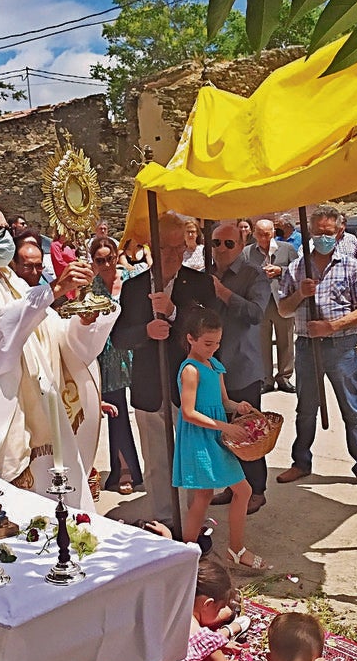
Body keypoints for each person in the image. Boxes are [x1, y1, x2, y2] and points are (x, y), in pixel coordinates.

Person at [0, 203, 117, 510]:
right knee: (5, 512)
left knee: (53, 506)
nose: (3, 237)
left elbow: (48, 332)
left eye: (4, 230)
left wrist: (84, 321)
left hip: (38, 404)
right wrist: (53, 289)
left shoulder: (11, 280)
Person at [111, 211, 217, 526]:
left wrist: (174, 313)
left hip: (189, 389)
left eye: (177, 248)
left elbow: (209, 328)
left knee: (194, 458)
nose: (171, 255)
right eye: (164, 248)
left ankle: (193, 522)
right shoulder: (134, 288)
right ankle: (164, 522)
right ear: (150, 251)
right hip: (149, 388)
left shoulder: (199, 283)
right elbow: (119, 338)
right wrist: (146, 331)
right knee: (157, 462)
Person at [277, 205, 357, 493]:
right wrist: (300, 293)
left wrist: (331, 326)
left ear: (339, 232)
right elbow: (284, 309)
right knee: (305, 408)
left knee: (351, 408)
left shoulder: (350, 265)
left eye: (328, 232)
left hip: (341, 347)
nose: (323, 237)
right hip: (307, 347)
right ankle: (301, 462)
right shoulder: (298, 267)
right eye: (318, 232)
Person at [173, 307, 271, 569]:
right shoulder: (190, 370)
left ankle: (192, 550)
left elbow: (224, 401)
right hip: (201, 437)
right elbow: (189, 412)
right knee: (229, 492)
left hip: (215, 435)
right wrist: (225, 428)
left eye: (217, 343)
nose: (213, 348)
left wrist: (238, 407)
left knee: (216, 493)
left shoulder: (215, 365)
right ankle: (227, 549)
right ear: (190, 339)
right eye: (207, 343)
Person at [208, 221, 271, 516]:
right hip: (212, 367)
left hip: (241, 365)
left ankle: (257, 490)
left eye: (228, 243)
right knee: (222, 432)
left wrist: (224, 294)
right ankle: (233, 487)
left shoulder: (253, 274)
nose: (221, 249)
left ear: (241, 243)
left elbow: (257, 314)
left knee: (248, 431)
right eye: (216, 243)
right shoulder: (205, 275)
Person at [162, 556, 274, 661]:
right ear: (207, 604)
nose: (220, 612)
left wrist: (217, 646)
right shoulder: (203, 638)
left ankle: (229, 628)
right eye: (219, 608)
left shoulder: (168, 616)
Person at [90, 236, 143, 495]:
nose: (106, 264)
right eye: (100, 260)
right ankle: (124, 469)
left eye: (109, 258)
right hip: (108, 355)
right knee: (117, 414)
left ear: (116, 256)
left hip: (136, 350)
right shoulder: (91, 288)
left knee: (148, 411)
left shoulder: (133, 278)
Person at [241, 218, 298, 393]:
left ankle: (284, 377)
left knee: (286, 340)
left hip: (282, 301)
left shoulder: (287, 248)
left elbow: (297, 269)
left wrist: (281, 271)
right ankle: (266, 379)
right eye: (260, 234)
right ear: (254, 234)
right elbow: (242, 275)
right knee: (261, 343)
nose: (264, 238)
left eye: (267, 234)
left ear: (273, 232)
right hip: (259, 303)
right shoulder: (247, 252)